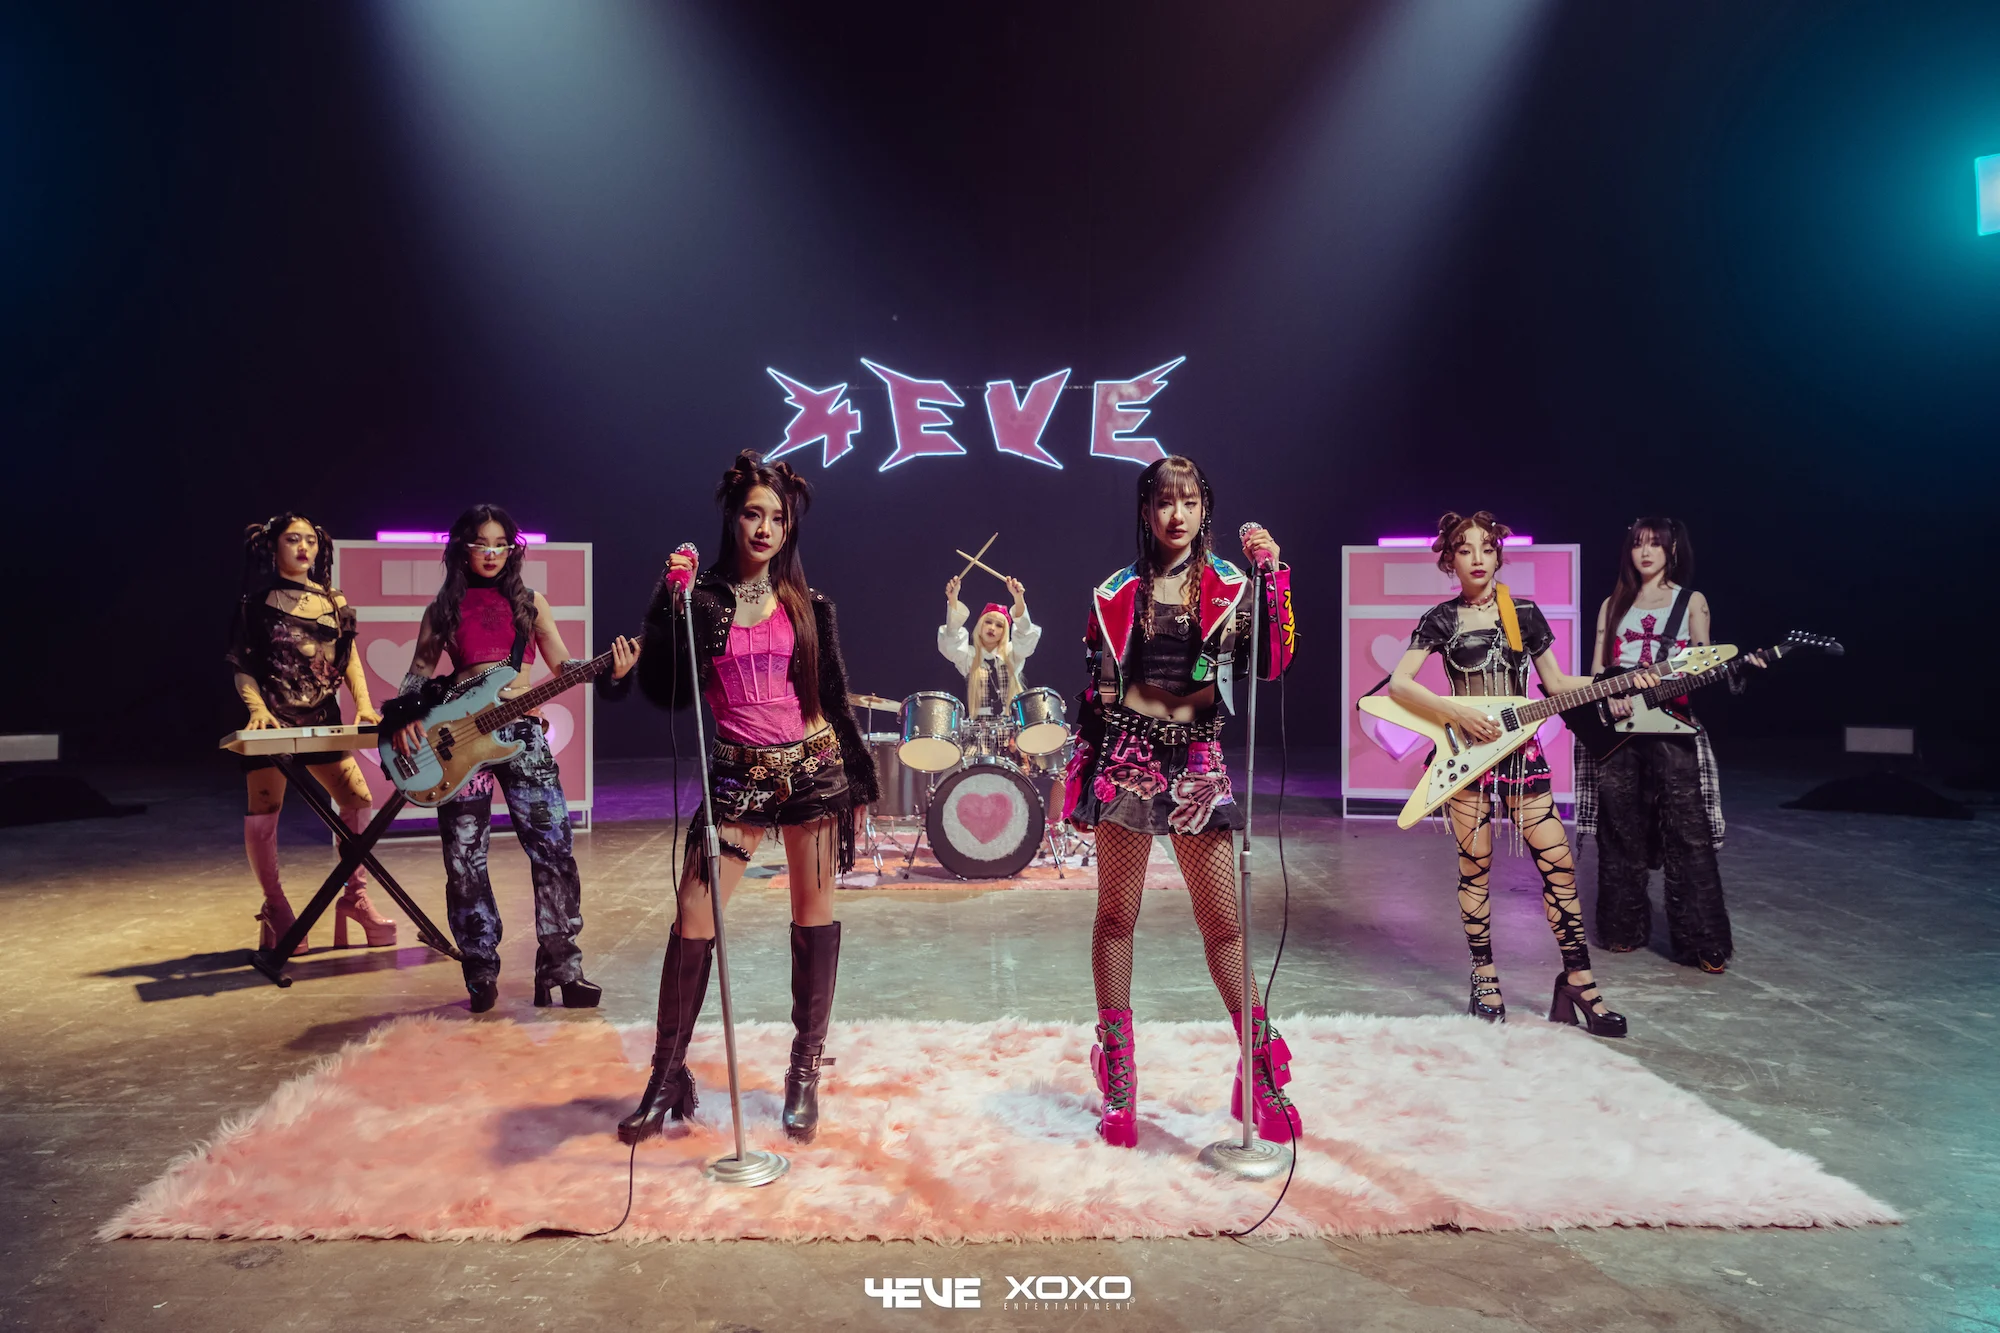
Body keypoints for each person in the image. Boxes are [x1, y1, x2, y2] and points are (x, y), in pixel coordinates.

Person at [619, 451, 879, 1147]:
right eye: (753, 514)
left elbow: (831, 698)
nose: (764, 528)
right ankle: (666, 1076)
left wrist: (858, 781)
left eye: (777, 518)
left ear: (789, 528)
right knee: (693, 916)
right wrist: (664, 604)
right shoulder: (702, 600)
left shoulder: (809, 606)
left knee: (812, 918)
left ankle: (804, 1072)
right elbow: (668, 690)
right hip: (737, 778)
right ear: (732, 519)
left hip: (813, 773)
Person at [1064, 455, 1299, 1149]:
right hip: (1129, 761)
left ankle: (1257, 1070)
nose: (1177, 514)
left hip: (1198, 763)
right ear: (1146, 511)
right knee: (1116, 917)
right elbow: (1097, 692)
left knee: (1223, 924)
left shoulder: (1233, 585)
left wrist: (1274, 576)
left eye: (1189, 501)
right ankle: (1119, 1078)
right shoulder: (1114, 592)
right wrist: (1082, 776)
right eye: (1165, 501)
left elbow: (1273, 662)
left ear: (1204, 511)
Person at [1388, 511, 1642, 1037]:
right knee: (1474, 868)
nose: (1477, 558)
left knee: (1559, 867)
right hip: (1466, 760)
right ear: (1450, 560)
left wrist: (1618, 682)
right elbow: (1399, 684)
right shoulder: (1441, 619)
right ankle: (1484, 978)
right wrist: (1456, 712)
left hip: (1522, 756)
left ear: (1499, 555)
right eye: (1465, 549)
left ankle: (1579, 982)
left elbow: (1557, 684)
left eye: (1486, 548)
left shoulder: (1523, 613)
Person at [387, 505, 638, 1012]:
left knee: (554, 849)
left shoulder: (530, 603)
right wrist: (402, 717)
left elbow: (563, 664)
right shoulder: (443, 608)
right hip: (459, 743)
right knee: (464, 859)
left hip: (522, 734)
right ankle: (480, 967)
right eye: (481, 543)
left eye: (500, 544)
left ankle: (562, 969)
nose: (492, 553)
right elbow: (418, 673)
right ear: (462, 548)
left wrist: (612, 671)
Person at [1577, 516, 1761, 974]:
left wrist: (1737, 667)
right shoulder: (1612, 604)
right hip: (1618, 731)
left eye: (1655, 545)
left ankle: (1703, 942)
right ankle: (1621, 928)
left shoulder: (1691, 601)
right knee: (1618, 830)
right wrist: (1611, 694)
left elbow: (1704, 663)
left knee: (1688, 833)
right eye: (1638, 544)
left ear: (1672, 551)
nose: (1645, 553)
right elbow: (1597, 668)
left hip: (1673, 725)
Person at [227, 513, 394, 956]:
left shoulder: (334, 602)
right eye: (292, 539)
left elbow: (349, 658)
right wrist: (258, 709)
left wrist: (363, 706)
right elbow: (242, 665)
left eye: (310, 540)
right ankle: (276, 907)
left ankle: (355, 897)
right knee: (266, 809)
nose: (303, 548)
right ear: (273, 546)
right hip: (274, 722)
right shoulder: (255, 605)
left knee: (358, 799)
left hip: (322, 719)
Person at [938, 574, 1040, 719]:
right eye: (988, 622)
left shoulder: (1012, 654)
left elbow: (1025, 634)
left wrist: (1018, 598)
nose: (992, 628)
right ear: (980, 625)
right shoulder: (969, 657)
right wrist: (953, 599)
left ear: (1005, 631)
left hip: (1012, 727)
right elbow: (951, 637)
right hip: (979, 728)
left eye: (999, 625)